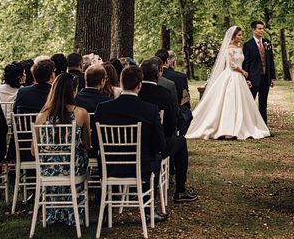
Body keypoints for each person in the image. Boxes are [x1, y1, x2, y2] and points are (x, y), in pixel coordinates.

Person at [93, 65, 168, 221]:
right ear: (139, 85)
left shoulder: (103, 108)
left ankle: (106, 213)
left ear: (120, 83)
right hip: (141, 167)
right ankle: (148, 211)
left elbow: (96, 142)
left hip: (110, 166)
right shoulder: (150, 110)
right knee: (157, 157)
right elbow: (160, 145)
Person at [185, 26, 270, 140]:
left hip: (239, 78)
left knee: (241, 102)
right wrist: (243, 71)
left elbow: (241, 62)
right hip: (231, 75)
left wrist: (245, 77)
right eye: (239, 35)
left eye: (241, 35)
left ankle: (241, 126)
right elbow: (231, 65)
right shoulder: (229, 48)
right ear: (233, 36)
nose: (241, 37)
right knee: (229, 100)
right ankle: (226, 128)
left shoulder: (240, 48)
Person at [34, 73, 90, 228]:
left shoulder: (41, 116)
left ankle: (55, 213)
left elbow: (34, 151)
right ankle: (74, 212)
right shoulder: (81, 113)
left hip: (48, 171)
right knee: (82, 158)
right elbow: (86, 144)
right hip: (72, 168)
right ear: (73, 91)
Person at [139, 58, 197, 202]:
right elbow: (172, 126)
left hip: (133, 146)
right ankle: (180, 190)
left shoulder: (135, 93)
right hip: (157, 147)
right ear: (159, 73)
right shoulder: (164, 94)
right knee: (181, 141)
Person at [241, 20, 276, 123]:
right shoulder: (248, 45)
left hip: (266, 78)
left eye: (262, 28)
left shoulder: (267, 42)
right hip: (253, 79)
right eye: (259, 29)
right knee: (250, 103)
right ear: (253, 30)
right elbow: (245, 63)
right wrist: (246, 79)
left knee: (263, 104)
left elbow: (271, 61)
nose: (262, 31)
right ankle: (249, 126)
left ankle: (264, 127)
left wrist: (272, 77)